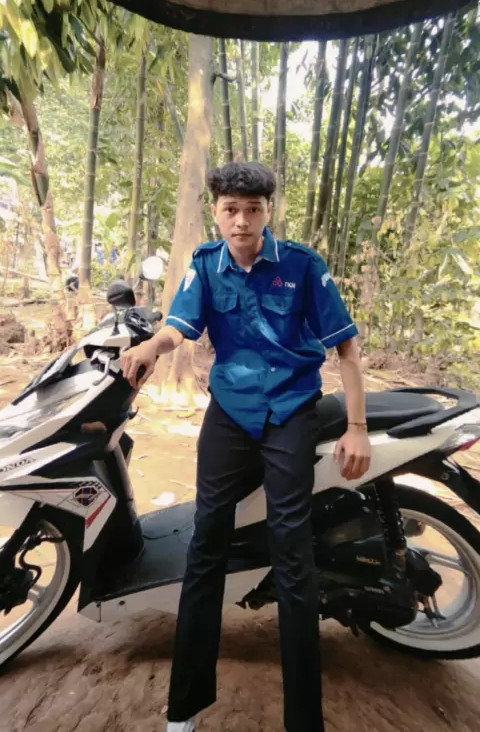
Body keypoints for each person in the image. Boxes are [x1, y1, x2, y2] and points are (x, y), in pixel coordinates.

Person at [121, 162, 371, 732]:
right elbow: (179, 326)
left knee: (293, 552)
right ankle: (184, 709)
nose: (241, 221)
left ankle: (303, 720)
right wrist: (153, 347)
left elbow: (347, 350)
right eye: (231, 210)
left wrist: (357, 426)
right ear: (216, 211)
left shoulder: (303, 266)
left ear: (268, 211)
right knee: (205, 543)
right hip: (231, 411)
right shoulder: (206, 265)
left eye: (252, 210)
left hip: (291, 409)